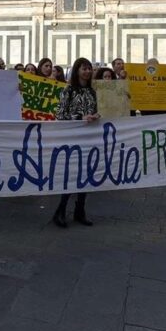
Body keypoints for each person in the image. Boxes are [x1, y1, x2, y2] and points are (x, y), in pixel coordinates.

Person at [52, 57, 100, 228]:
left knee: (86, 174)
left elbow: (94, 111)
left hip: (89, 137)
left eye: (89, 69)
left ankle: (80, 210)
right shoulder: (69, 90)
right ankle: (61, 211)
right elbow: (60, 114)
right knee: (71, 174)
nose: (87, 71)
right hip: (72, 137)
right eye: (83, 68)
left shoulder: (92, 92)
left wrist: (96, 116)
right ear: (77, 70)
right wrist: (80, 117)